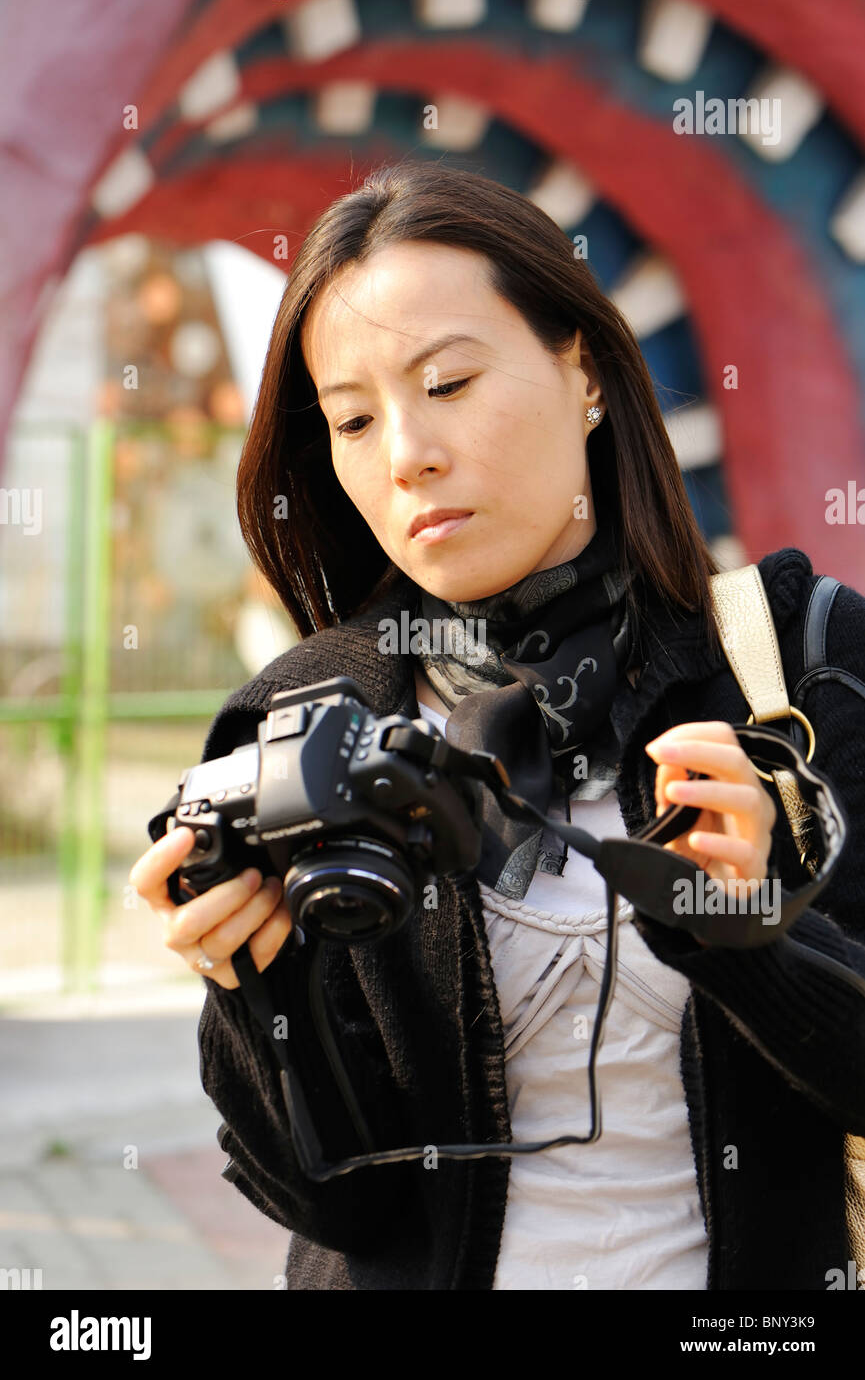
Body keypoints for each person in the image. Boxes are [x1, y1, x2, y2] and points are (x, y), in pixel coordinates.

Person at [129, 160, 865, 1291]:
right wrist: (253, 994)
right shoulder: (298, 722)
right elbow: (336, 1202)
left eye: (450, 383)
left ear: (582, 370)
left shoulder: (796, 659)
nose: (406, 454)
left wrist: (752, 933)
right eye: (354, 418)